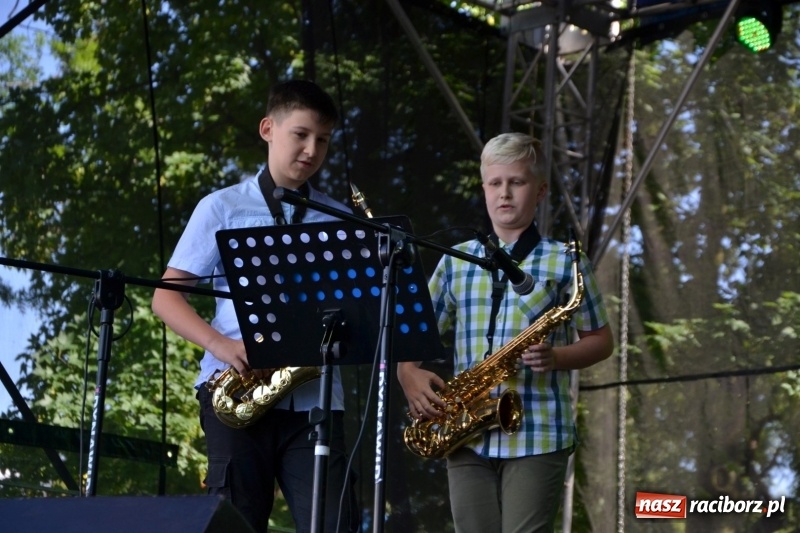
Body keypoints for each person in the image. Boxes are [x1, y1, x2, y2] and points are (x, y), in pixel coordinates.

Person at [152, 79, 358, 533]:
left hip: (316, 402)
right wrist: (222, 345)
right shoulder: (222, 208)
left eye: (322, 140)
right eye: (300, 134)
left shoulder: (340, 218)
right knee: (236, 526)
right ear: (268, 128)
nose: (311, 149)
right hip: (238, 390)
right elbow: (165, 296)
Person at [397, 132, 614, 533]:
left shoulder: (566, 260)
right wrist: (406, 372)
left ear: (541, 190)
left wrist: (557, 357)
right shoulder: (456, 262)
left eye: (517, 182)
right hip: (464, 429)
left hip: (538, 431)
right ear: (483, 190)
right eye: (495, 183)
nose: (505, 193)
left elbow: (601, 340)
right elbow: (412, 334)